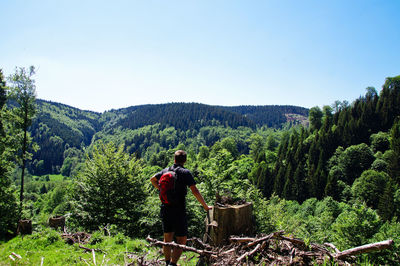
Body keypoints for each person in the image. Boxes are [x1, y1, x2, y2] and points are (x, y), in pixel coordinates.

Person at [150, 150, 211, 266]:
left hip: (165, 208)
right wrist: (206, 207)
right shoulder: (185, 172)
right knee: (181, 239)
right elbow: (195, 191)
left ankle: (167, 262)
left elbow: (152, 179)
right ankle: (172, 264)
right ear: (185, 160)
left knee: (167, 238)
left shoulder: (165, 170)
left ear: (174, 159)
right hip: (179, 210)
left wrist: (160, 189)